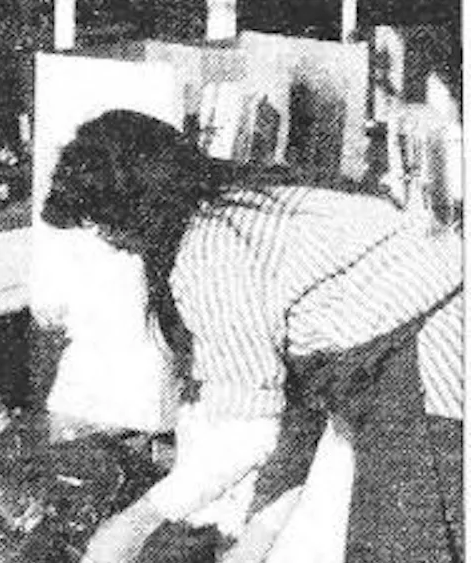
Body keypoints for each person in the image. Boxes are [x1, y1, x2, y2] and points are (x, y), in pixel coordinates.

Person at [40, 109, 463, 563]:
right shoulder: (248, 201)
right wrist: (255, 542)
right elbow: (293, 415)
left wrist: (133, 524)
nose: (110, 240)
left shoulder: (212, 251)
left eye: (108, 223)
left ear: (143, 201)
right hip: (428, 343)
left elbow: (250, 436)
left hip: (430, 363)